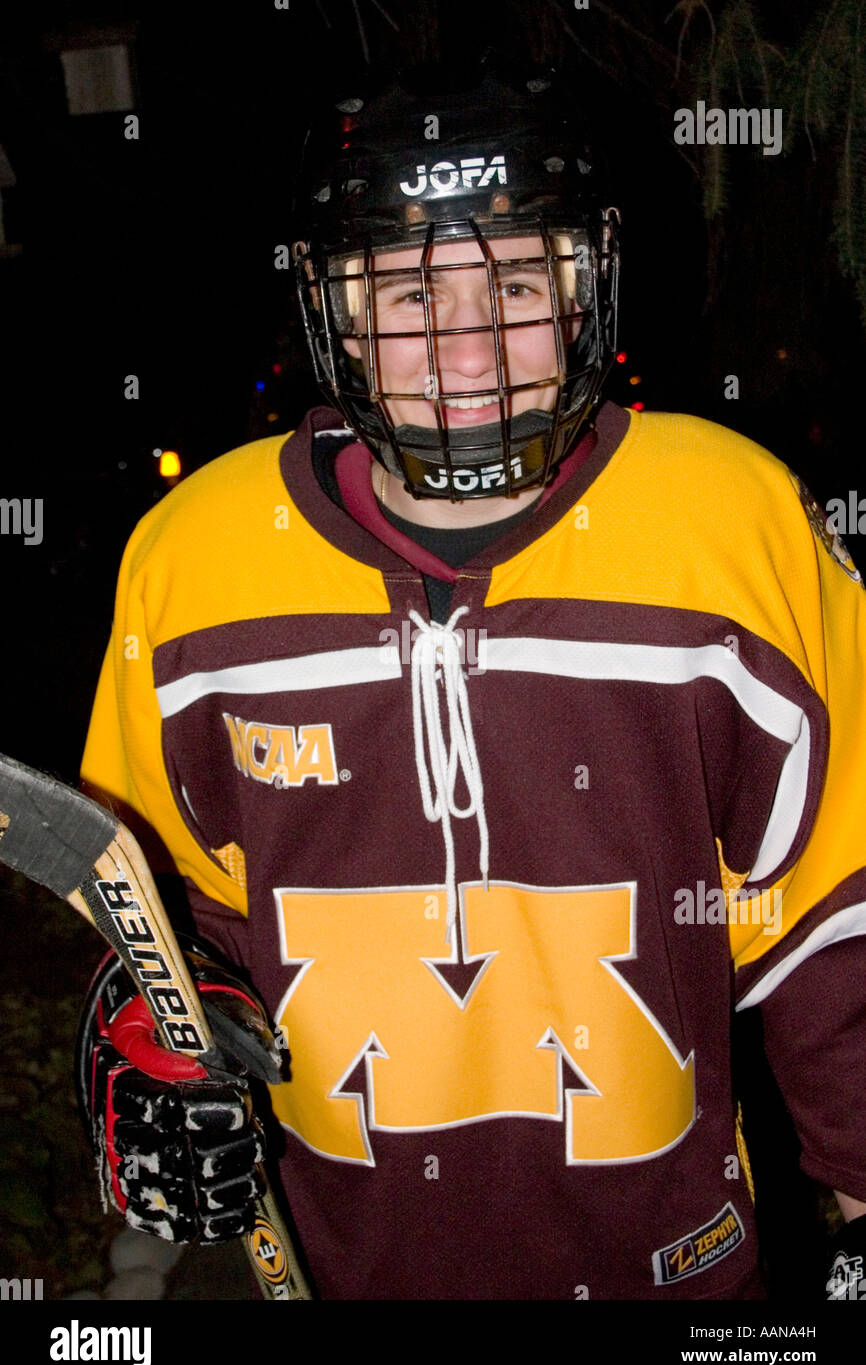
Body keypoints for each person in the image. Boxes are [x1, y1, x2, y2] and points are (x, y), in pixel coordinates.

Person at [76, 65, 866, 1300]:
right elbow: (160, 911)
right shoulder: (194, 556)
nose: (463, 341)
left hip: (674, 1265)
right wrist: (161, 1052)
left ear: (587, 285)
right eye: (403, 288)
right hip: (344, 1260)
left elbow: (832, 904)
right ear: (332, 313)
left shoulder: (729, 518)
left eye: (511, 281)